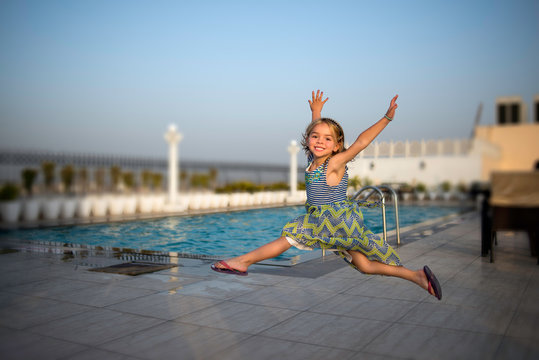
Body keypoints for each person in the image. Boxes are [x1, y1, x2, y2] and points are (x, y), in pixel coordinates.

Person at [211, 90, 442, 300]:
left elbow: (361, 142)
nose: (320, 141)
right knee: (364, 266)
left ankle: (242, 262)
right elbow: (318, 131)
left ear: (337, 146)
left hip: (333, 221)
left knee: (291, 236)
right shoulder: (315, 160)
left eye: (327, 138)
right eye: (315, 136)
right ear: (308, 139)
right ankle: (417, 276)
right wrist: (316, 112)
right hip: (333, 223)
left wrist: (387, 117)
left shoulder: (334, 163)